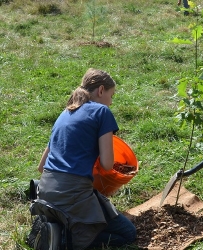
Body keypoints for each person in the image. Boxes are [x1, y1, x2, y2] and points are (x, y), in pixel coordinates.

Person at [35, 68, 137, 249]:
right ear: (101, 90)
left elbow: (41, 167)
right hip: (72, 193)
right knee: (128, 233)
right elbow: (107, 165)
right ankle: (64, 240)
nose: (111, 102)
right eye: (111, 96)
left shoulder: (65, 113)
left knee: (95, 213)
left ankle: (55, 228)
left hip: (44, 192)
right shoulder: (102, 112)